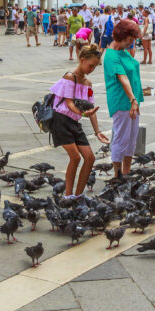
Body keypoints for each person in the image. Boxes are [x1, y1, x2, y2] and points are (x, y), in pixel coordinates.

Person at [49, 44, 109, 197]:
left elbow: (91, 108)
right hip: (61, 120)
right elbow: (69, 104)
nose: (92, 69)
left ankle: (78, 195)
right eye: (91, 65)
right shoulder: (70, 77)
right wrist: (83, 114)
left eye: (95, 67)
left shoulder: (88, 84)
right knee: (75, 157)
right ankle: (68, 196)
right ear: (82, 60)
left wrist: (98, 132)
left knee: (90, 158)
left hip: (74, 122)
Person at [103, 19, 143, 177]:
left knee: (131, 139)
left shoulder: (122, 51)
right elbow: (123, 78)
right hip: (122, 101)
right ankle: (117, 175)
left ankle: (126, 173)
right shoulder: (111, 55)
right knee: (121, 138)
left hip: (133, 101)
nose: (131, 43)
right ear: (121, 36)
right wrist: (132, 100)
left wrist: (135, 100)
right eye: (130, 40)